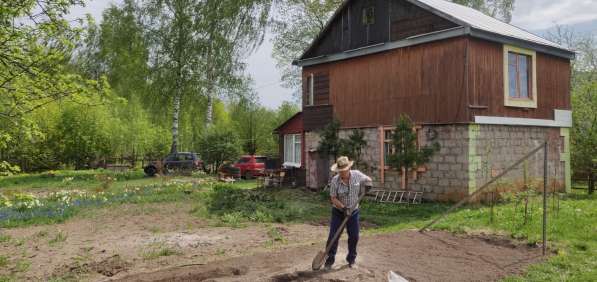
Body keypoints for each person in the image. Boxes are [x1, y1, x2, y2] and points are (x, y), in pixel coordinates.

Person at [325, 156, 372, 269]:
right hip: (338, 212)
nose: (342, 173)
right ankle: (329, 260)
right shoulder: (335, 180)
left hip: (354, 211)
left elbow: (368, 180)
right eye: (340, 171)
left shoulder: (357, 175)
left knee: (354, 236)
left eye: (344, 170)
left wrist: (369, 185)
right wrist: (343, 208)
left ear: (348, 168)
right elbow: (333, 198)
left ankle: (351, 259)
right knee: (333, 236)